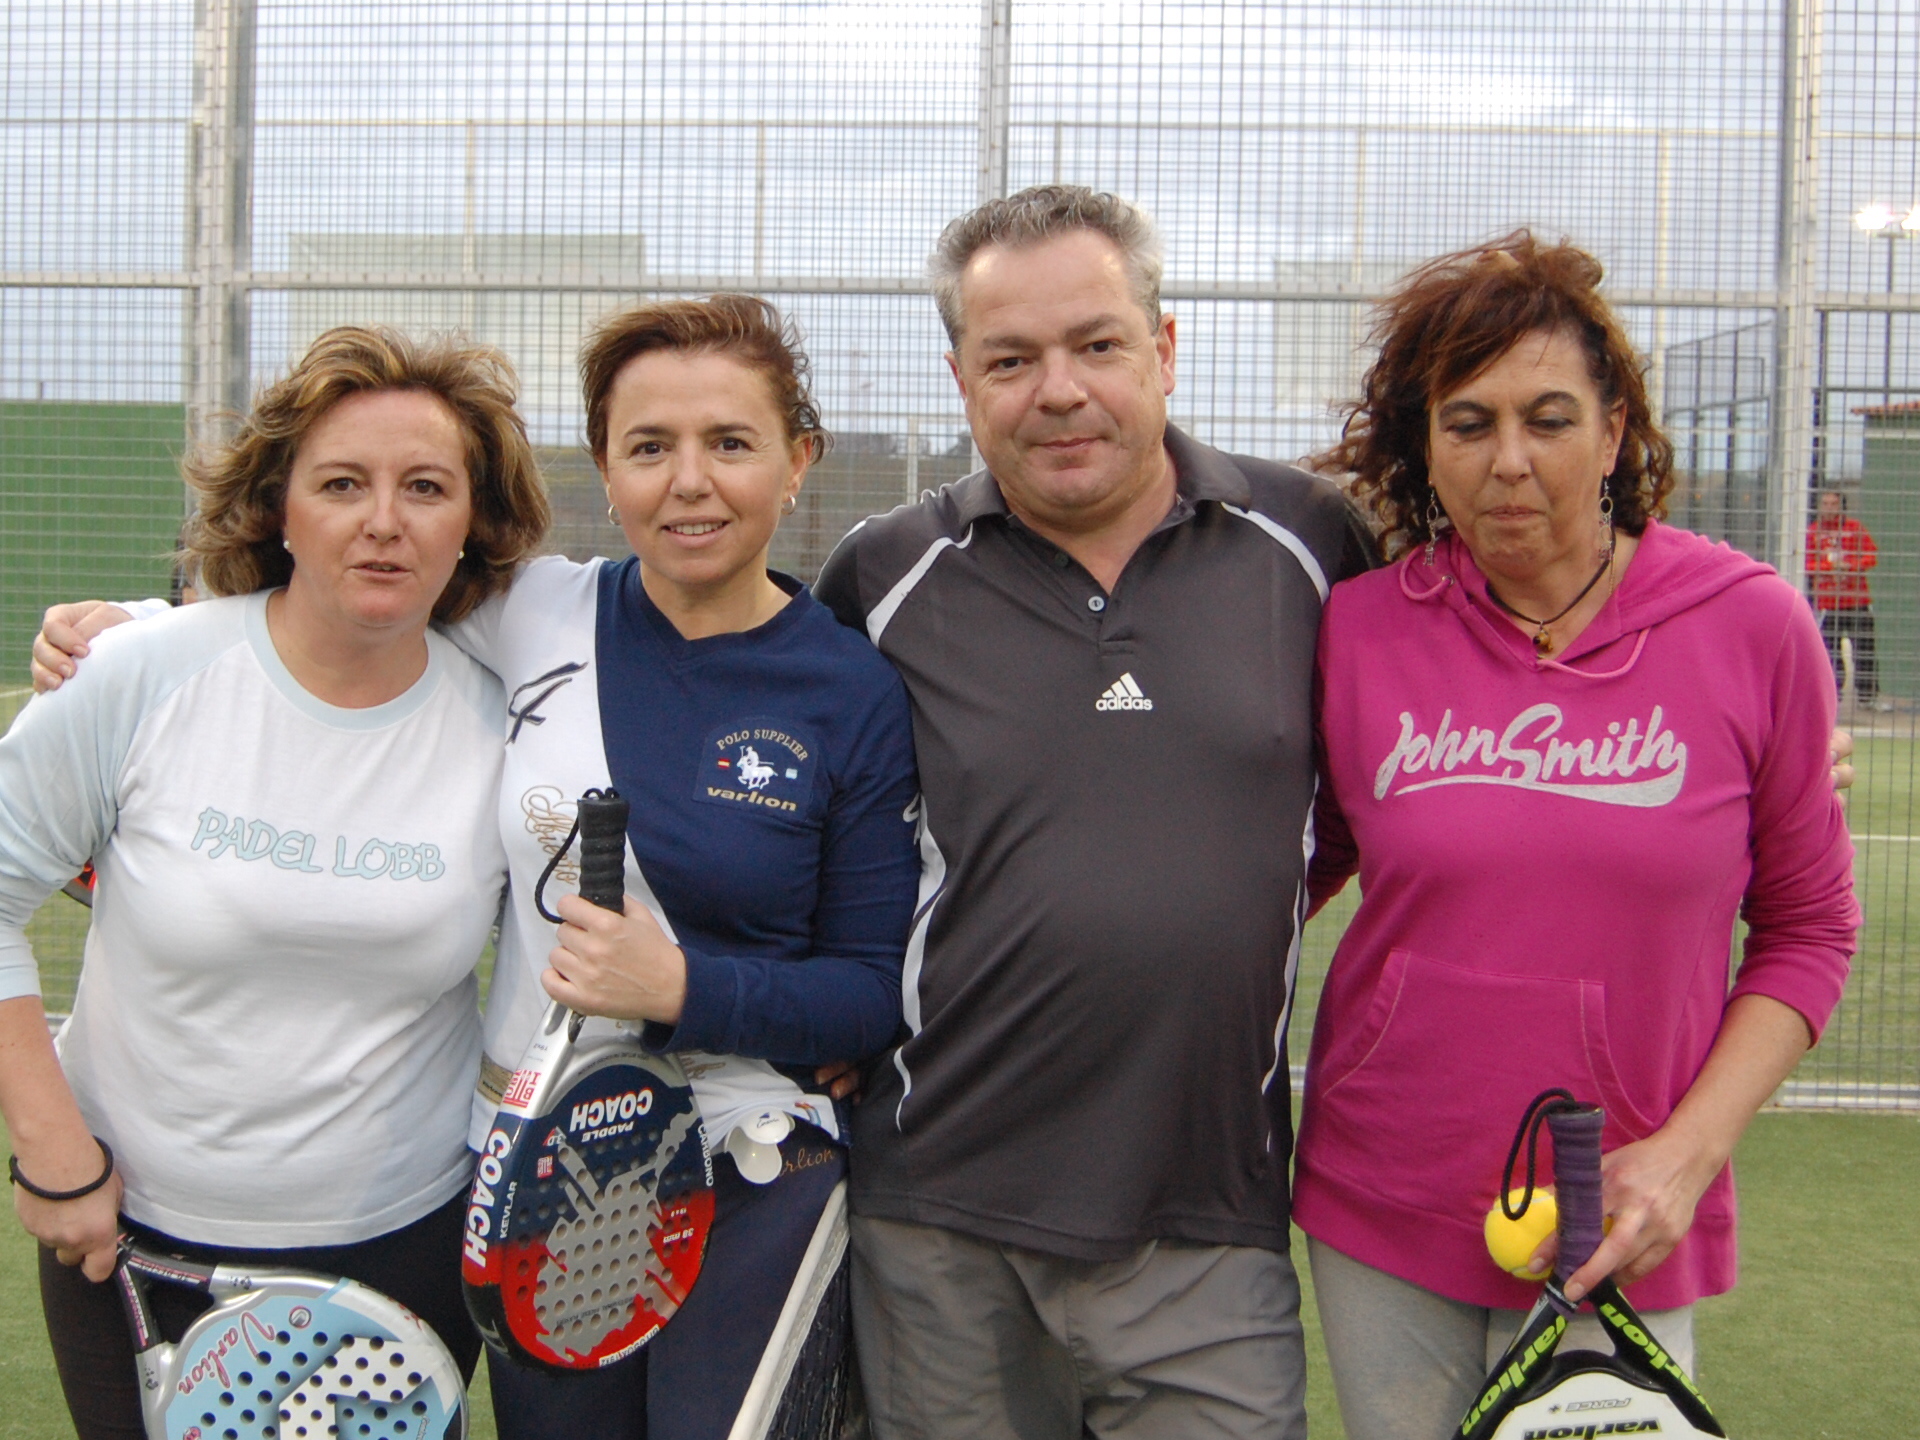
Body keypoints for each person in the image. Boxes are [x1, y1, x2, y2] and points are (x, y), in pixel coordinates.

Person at [37, 296, 922, 1440]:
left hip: (752, 1179)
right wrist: (133, 627)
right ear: (605, 466)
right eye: (649, 446)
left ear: (798, 460)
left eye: (732, 442)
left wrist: (683, 989)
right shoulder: (532, 609)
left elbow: (867, 993)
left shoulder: (852, 690)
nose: (690, 482)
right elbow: (335, 598)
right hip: (535, 1175)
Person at [811, 185, 1374, 1440]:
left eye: (1097, 344)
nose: (1058, 391)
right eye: (1011, 359)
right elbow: (798, 808)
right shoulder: (882, 574)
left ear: (1163, 349)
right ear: (963, 381)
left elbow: (1407, 761)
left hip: (1209, 1215)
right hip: (938, 1220)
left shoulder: (1312, 543)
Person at [1294, 233, 1858, 1440]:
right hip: (1382, 1190)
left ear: (1613, 436)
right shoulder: (1358, 633)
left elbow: (1811, 931)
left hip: (1618, 1214)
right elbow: (1291, 861)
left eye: (1548, 419)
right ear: (1424, 447)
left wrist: (1686, 1158)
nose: (1509, 460)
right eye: (1468, 423)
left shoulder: (1752, 629)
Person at [0, 326, 551, 1440]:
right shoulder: (139, 672)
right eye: (342, 483)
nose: (384, 520)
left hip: (408, 1248)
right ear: (278, 510)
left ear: (474, 523)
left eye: (426, 487)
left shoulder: (512, 723)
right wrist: (55, 1154)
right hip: (130, 1242)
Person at [1807, 488, 1885, 710]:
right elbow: (1806, 563)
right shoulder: (1813, 532)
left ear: (1841, 507)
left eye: (1833, 504)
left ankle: (1868, 697)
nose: (1829, 508)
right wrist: (1830, 567)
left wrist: (1851, 566)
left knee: (1864, 649)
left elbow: (1871, 556)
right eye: (1825, 504)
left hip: (1856, 600)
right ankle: (1833, 695)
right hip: (1828, 603)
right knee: (1827, 651)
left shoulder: (1854, 529)